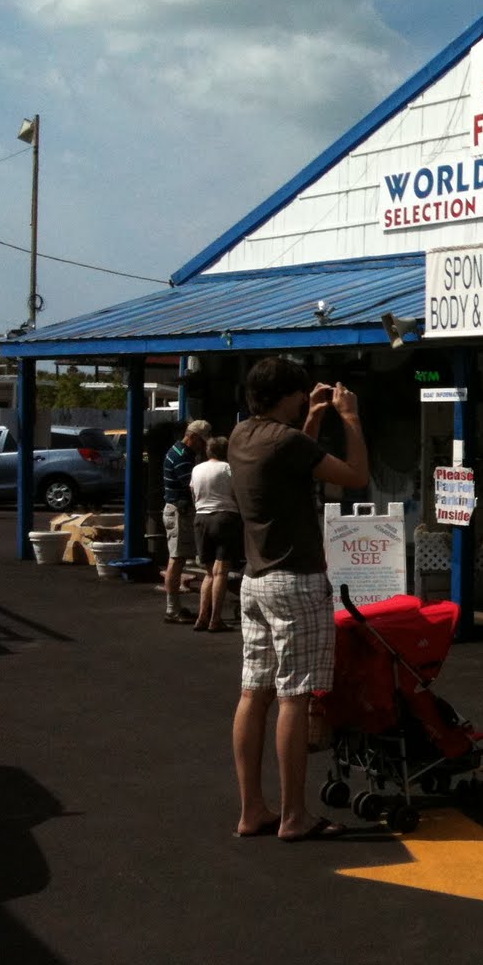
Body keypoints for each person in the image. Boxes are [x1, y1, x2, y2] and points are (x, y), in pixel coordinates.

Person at [227, 357, 368, 842]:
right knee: (295, 695)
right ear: (287, 395)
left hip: (255, 579)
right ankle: (293, 816)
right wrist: (348, 417)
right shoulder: (286, 441)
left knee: (254, 694)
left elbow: (296, 456)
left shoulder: (242, 437)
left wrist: (312, 415)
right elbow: (354, 475)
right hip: (296, 580)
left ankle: (253, 810)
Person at [161, 419, 211, 624]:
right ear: (192, 437)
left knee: (179, 557)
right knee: (177, 558)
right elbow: (190, 485)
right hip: (178, 512)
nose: (202, 446)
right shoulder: (182, 457)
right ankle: (172, 608)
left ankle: (174, 607)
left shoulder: (181, 452)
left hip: (179, 511)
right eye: (201, 441)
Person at [190, 435, 242, 633]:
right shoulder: (228, 469)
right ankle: (215, 619)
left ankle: (201, 617)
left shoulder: (196, 469)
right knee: (222, 572)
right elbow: (237, 493)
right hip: (224, 517)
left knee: (209, 573)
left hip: (201, 518)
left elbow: (193, 493)